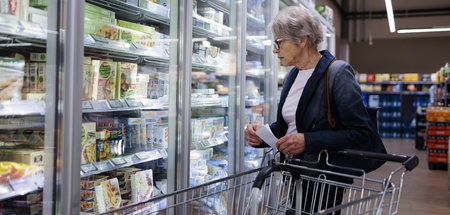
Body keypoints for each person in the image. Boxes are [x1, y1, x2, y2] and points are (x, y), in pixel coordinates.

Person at [244, 6, 374, 214]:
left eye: (278, 42)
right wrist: (261, 135)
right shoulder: (292, 76)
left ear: (302, 40)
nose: (274, 50)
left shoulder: (338, 74)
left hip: (325, 180)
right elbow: (291, 126)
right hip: (296, 174)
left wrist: (308, 141)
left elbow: (362, 135)